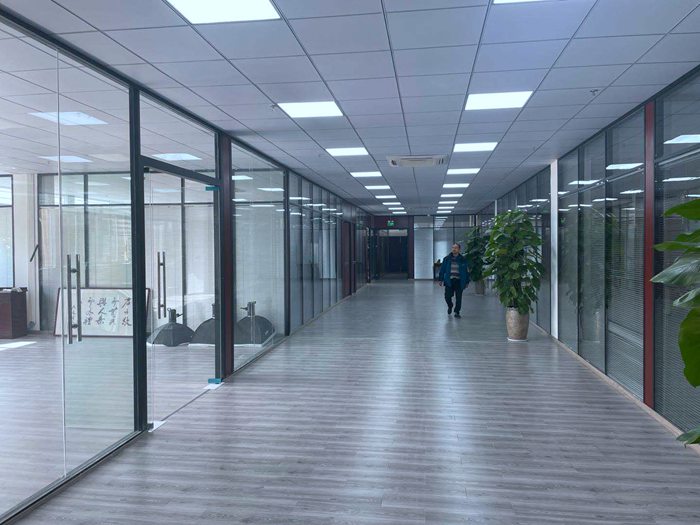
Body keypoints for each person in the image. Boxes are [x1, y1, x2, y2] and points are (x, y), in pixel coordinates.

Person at [438, 243, 470, 318]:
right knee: (447, 296)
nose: (454, 249)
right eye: (453, 247)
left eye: (456, 248)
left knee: (458, 298)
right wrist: (440, 279)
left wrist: (467, 281)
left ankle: (457, 312)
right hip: (449, 280)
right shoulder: (447, 259)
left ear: (459, 249)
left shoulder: (463, 259)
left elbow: (466, 271)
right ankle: (450, 305)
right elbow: (442, 269)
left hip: (459, 281)